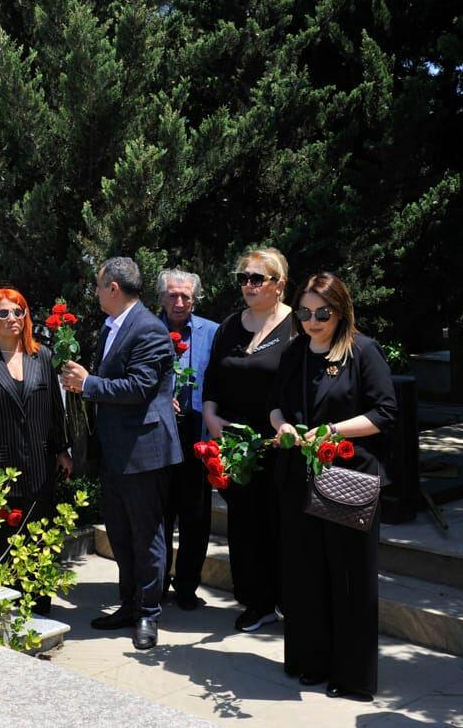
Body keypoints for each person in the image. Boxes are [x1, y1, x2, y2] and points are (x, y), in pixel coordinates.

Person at [269, 272, 396, 701]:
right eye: (305, 313)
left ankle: (352, 674)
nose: (312, 321)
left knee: (349, 577)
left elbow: (384, 413)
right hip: (298, 479)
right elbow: (275, 405)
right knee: (305, 575)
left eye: (322, 313)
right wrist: (283, 426)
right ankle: (312, 661)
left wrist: (332, 430)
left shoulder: (362, 351)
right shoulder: (294, 352)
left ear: (340, 310)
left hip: (347, 478)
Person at [60, 257, 180, 650]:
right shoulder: (111, 326)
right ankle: (129, 605)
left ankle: (148, 613)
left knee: (146, 536)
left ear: (113, 287)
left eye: (98, 286)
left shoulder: (149, 329)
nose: (95, 293)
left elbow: (139, 387)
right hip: (114, 451)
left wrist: (88, 384)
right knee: (121, 535)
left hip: (144, 452)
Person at [0, 287, 74, 615]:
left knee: (39, 539)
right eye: (4, 313)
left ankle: (39, 610)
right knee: (1, 541)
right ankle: (2, 611)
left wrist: (62, 450)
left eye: (19, 311)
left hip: (40, 464)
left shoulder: (42, 356)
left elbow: (55, 409)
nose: (12, 318)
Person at [202, 249, 294, 630]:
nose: (248, 285)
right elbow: (213, 377)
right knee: (244, 526)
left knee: (281, 524)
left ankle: (290, 600)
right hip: (236, 444)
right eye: (243, 278)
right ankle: (257, 602)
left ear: (279, 284)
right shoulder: (229, 327)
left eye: (257, 278)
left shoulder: (297, 326)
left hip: (280, 443)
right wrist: (210, 415)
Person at [155, 268, 219, 611]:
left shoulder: (212, 332)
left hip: (198, 434)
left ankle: (187, 586)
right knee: (160, 515)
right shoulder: (148, 330)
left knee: (196, 517)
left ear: (195, 299)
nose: (179, 302)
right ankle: (157, 582)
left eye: (186, 296)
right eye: (172, 296)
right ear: (161, 298)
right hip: (158, 434)